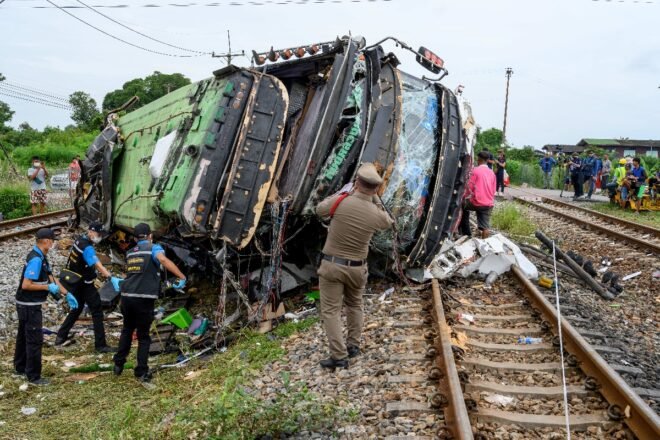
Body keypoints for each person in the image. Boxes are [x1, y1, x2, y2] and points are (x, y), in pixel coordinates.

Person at [315, 163, 394, 369]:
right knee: (355, 304)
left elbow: (320, 209)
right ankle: (353, 346)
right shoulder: (376, 214)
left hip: (332, 267)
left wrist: (346, 191)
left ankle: (339, 356)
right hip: (358, 269)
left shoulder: (342, 202)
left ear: (356, 183)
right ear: (375, 188)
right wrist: (374, 196)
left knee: (331, 311)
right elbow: (388, 221)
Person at [113, 223, 186, 382]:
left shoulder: (131, 252)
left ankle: (118, 364)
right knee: (144, 336)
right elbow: (163, 261)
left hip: (126, 296)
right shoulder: (154, 248)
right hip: (142, 298)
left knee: (127, 330)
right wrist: (181, 276)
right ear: (150, 236)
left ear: (134, 238)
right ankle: (141, 372)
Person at [14, 228, 79, 386]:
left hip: (26, 304)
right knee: (34, 339)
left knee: (23, 335)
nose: (53, 243)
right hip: (29, 305)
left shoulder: (42, 257)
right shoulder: (36, 259)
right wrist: (46, 288)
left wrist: (67, 293)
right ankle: (34, 376)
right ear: (46, 241)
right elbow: (26, 285)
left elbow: (52, 279)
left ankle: (20, 367)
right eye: (52, 240)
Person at [55, 222, 123, 352]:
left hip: (74, 281)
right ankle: (100, 345)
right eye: (98, 234)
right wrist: (110, 277)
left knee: (76, 308)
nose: (100, 237)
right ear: (90, 232)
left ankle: (60, 336)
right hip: (85, 284)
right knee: (97, 311)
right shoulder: (87, 248)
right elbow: (97, 264)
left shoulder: (79, 241)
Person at [460, 151, 496, 238]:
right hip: (488, 204)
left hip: (476, 203)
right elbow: (494, 190)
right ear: (487, 160)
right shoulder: (492, 173)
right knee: (485, 227)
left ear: (478, 160)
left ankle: (466, 232)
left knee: (461, 205)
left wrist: (463, 197)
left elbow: (469, 188)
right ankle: (485, 244)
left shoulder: (475, 171)